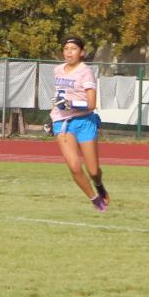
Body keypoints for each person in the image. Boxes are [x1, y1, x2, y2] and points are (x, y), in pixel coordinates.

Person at [48, 37, 109, 211]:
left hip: (84, 121)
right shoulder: (58, 70)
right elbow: (59, 97)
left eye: (73, 48)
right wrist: (52, 115)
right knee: (74, 166)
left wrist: (71, 104)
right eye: (66, 48)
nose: (69, 52)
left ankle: (99, 185)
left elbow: (91, 104)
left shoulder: (86, 72)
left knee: (94, 171)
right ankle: (96, 200)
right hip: (63, 122)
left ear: (81, 52)